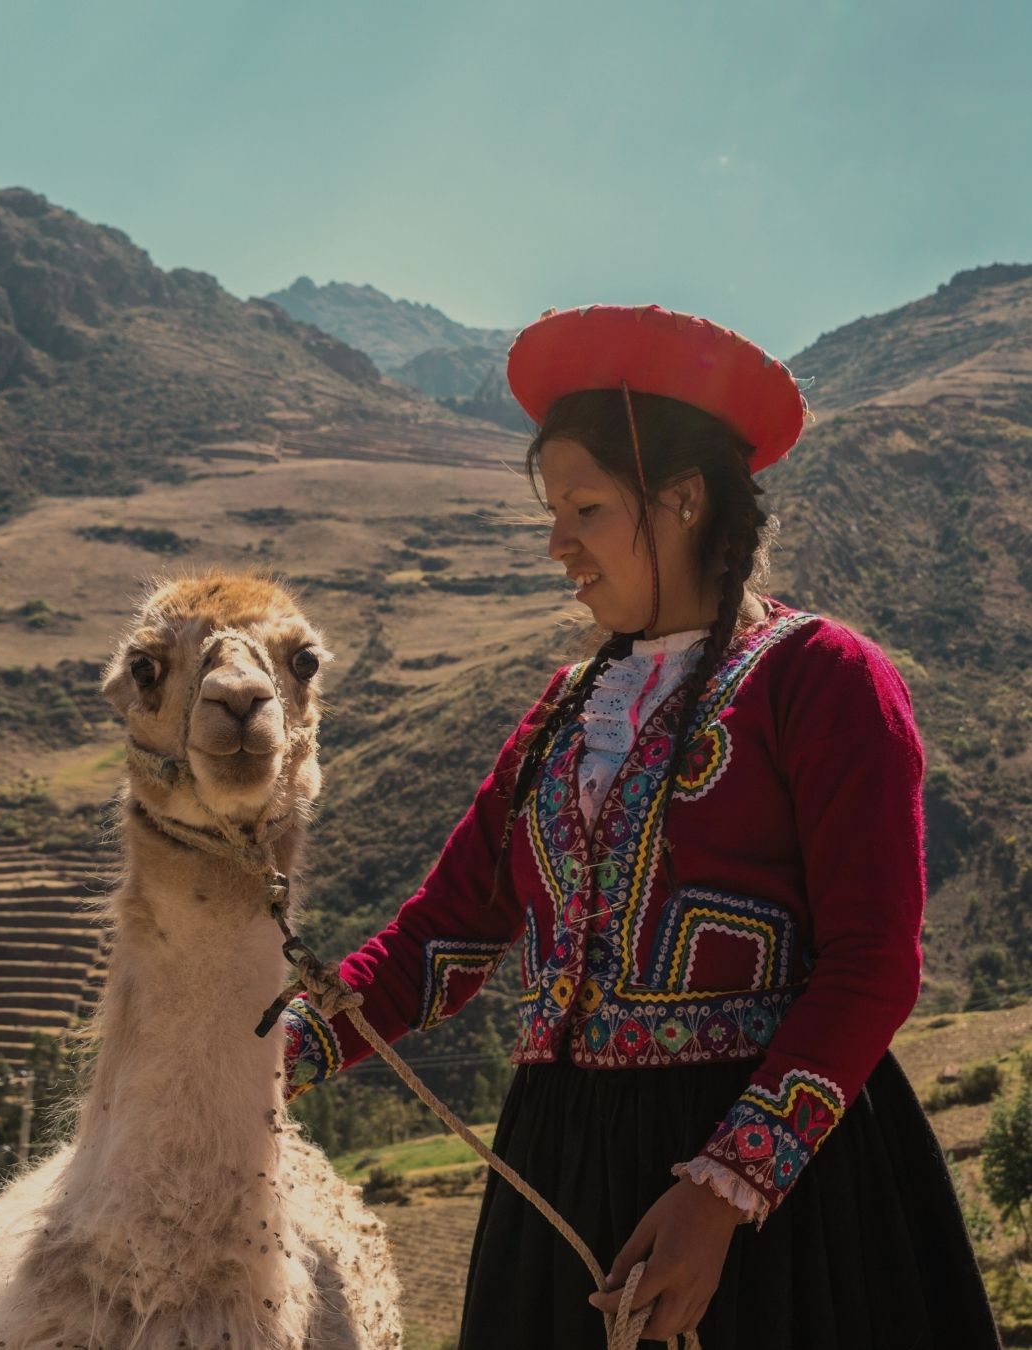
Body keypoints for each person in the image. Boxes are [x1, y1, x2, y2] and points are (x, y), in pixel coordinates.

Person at [280, 304, 1003, 1348]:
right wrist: (266, 1061)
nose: (555, 543)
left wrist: (726, 1190)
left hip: (774, 1209)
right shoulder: (562, 715)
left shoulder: (822, 680)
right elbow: (442, 941)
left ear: (681, 501)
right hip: (558, 1179)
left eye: (583, 508)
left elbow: (874, 964)